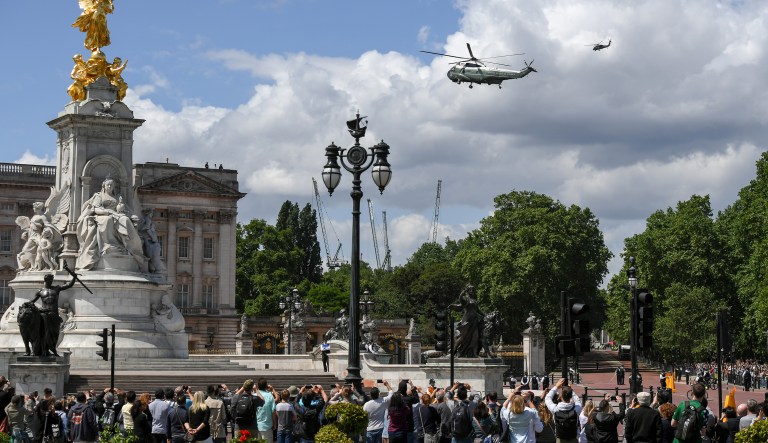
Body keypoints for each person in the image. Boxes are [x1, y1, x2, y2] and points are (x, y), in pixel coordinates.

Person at [76, 178, 145, 271]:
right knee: (108, 220)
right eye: (108, 185)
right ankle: (109, 246)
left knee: (125, 220)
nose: (109, 187)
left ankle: (130, 246)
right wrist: (107, 212)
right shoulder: (99, 196)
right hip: (102, 215)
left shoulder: (117, 197)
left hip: (116, 215)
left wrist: (123, 208)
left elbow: (124, 210)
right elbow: (96, 209)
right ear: (103, 186)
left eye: (111, 185)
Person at [27, 273, 76, 357]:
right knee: (44, 333)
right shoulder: (40, 291)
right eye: (49, 280)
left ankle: (52, 349)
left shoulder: (56, 289)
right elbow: (32, 302)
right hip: (44, 314)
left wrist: (74, 278)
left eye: (51, 280)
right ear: (45, 280)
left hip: (54, 314)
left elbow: (69, 285)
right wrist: (30, 305)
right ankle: (42, 350)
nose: (51, 281)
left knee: (55, 333)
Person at [449, 285, 484, 358]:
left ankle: (474, 354)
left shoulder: (474, 300)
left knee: (475, 337)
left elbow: (478, 310)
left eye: (473, 290)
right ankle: (453, 352)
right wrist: (462, 293)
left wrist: (485, 315)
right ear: (468, 291)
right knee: (462, 337)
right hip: (467, 320)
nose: (472, 291)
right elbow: (460, 299)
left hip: (474, 320)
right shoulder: (466, 299)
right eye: (470, 290)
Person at [545, 378, 583, 443]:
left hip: (560, 439)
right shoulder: (576, 409)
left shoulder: (555, 409)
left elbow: (547, 398)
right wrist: (571, 391)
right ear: (570, 396)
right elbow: (578, 400)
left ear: (561, 397)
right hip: (573, 438)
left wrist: (556, 386)